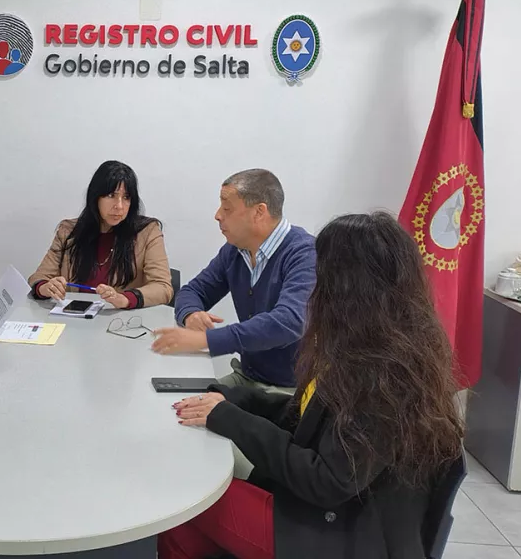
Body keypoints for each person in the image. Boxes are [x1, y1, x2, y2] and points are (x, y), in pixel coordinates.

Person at [159, 212, 465, 559]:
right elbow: (308, 417)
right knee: (188, 521)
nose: (312, 288)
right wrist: (235, 399)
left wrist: (231, 420)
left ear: (348, 287)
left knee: (184, 503)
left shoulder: (386, 373)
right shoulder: (369, 345)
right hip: (330, 512)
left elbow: (327, 481)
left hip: (345, 534)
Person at [152, 169, 315, 393]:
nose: (217, 215)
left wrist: (207, 340)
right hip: (247, 377)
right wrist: (191, 314)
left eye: (227, 208)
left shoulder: (305, 254)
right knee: (178, 403)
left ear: (259, 212)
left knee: (202, 409)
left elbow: (288, 322)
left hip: (292, 391)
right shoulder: (235, 250)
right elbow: (193, 291)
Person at [28, 160, 172, 309]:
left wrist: (125, 299)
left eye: (126, 197)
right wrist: (46, 288)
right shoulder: (68, 231)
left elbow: (163, 287)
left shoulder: (148, 232)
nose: (119, 206)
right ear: (95, 197)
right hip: (73, 318)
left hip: (121, 319)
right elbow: (39, 278)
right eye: (111, 195)